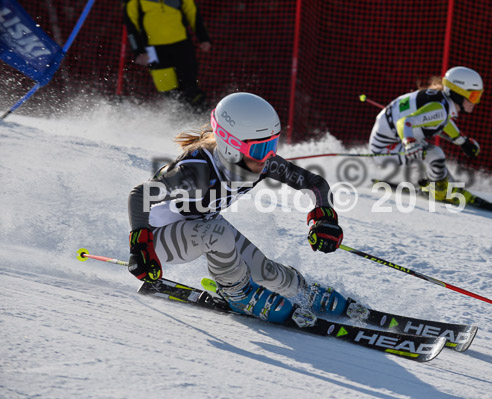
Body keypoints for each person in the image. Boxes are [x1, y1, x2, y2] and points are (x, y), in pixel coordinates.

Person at [127, 92, 366, 328]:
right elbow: (140, 194)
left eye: (272, 145)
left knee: (266, 270)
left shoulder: (261, 162)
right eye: (260, 149)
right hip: (159, 239)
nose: (267, 158)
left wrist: (323, 216)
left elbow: (315, 184)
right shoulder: (195, 173)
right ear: (231, 146)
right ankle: (237, 294)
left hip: (202, 226)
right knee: (217, 232)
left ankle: (303, 292)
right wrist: (141, 246)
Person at [369, 66, 483, 200]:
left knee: (429, 154)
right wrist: (409, 143)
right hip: (385, 149)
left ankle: (439, 184)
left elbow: (443, 122)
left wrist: (462, 141)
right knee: (435, 154)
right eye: (473, 96)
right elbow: (404, 122)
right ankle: (440, 192)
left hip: (395, 139)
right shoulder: (440, 109)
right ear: (458, 92)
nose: (475, 103)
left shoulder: (441, 102)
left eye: (478, 96)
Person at [122, 0, 212, 110]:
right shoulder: (134, 2)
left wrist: (203, 38)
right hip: (153, 49)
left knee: (190, 86)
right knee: (168, 89)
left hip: (182, 45)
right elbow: (131, 26)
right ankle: (177, 118)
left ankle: (200, 116)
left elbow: (193, 13)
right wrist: (138, 52)